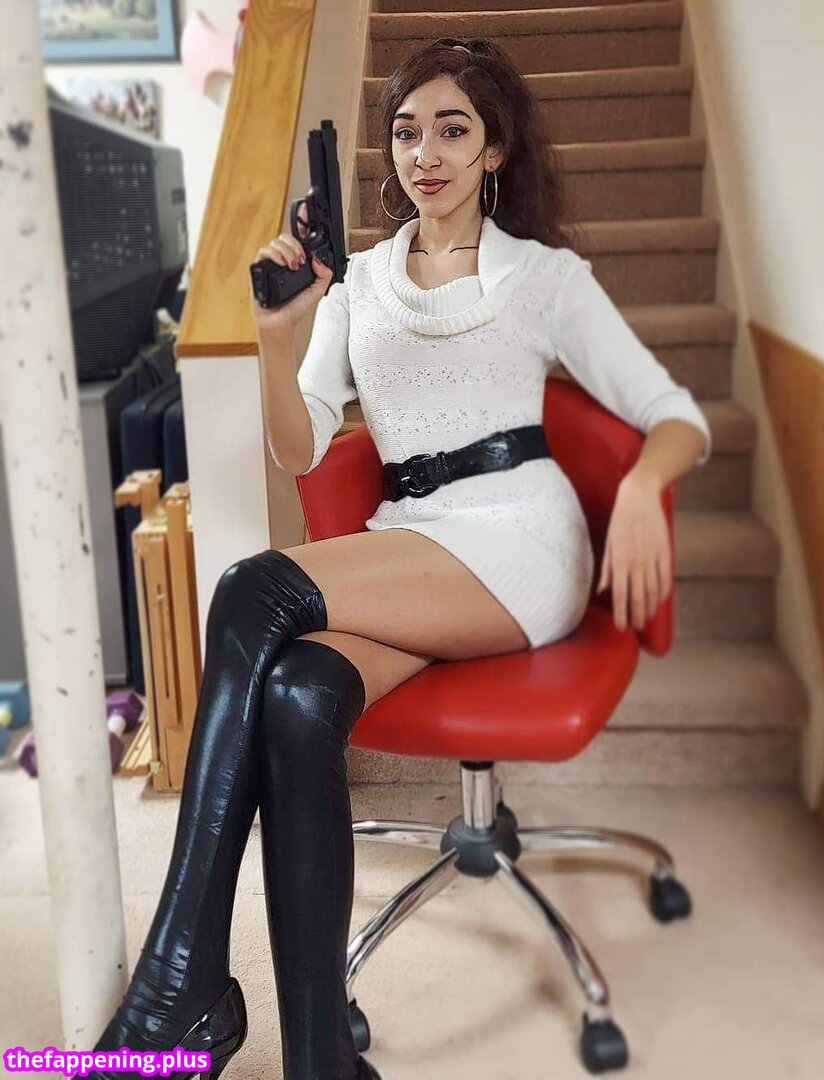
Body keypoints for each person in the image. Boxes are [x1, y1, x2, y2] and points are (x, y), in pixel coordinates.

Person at [83, 36, 711, 1080]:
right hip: (411, 542)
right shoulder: (361, 283)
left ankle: (176, 985)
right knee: (296, 697)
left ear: (495, 148)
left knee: (249, 589)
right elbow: (299, 450)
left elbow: (674, 413)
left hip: (521, 539)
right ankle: (322, 1059)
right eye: (409, 132)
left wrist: (645, 483)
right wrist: (278, 339)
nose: (427, 153)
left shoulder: (544, 278)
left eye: (454, 131)